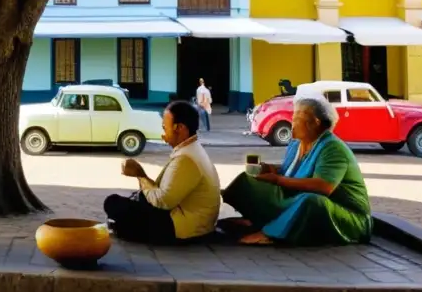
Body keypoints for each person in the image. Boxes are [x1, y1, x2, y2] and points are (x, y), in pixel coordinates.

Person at [221, 95, 373, 246]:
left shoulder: (333, 148)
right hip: (296, 198)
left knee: (311, 200)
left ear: (315, 123)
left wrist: (277, 180)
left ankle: (271, 233)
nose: (292, 122)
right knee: (247, 181)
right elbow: (288, 171)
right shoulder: (296, 144)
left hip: (348, 217)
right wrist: (270, 169)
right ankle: (257, 220)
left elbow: (323, 187)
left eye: (297, 118)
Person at [104, 100, 221, 245]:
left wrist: (140, 175)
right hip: (194, 222)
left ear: (180, 128)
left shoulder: (187, 158)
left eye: (165, 129)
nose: (163, 135)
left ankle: (124, 228)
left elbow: (163, 201)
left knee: (113, 203)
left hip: (184, 229)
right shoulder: (193, 149)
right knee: (139, 199)